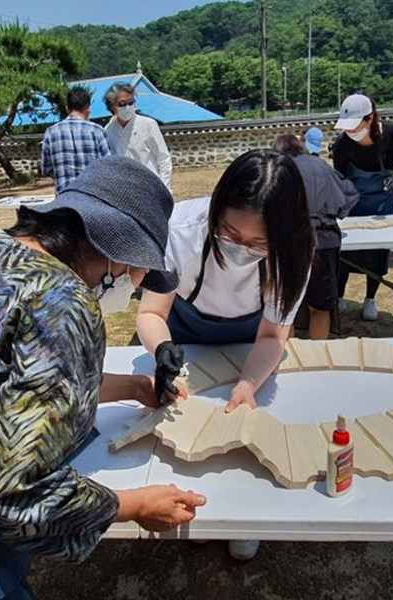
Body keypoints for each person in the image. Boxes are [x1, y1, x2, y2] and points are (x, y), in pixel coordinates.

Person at [0, 156, 206, 599]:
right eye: (141, 272)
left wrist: (136, 387)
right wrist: (133, 505)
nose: (137, 285)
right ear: (115, 256)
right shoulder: (63, 301)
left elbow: (6, 384)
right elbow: (14, 495)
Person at [136, 149, 314, 561]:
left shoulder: (297, 252)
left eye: (257, 243)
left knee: (242, 426)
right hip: (180, 329)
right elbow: (151, 312)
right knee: (179, 426)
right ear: (216, 212)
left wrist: (249, 383)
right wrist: (163, 349)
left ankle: (242, 519)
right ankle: (195, 510)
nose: (239, 248)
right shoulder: (181, 228)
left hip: (250, 339)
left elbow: (273, 335)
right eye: (229, 234)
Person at [332, 94, 393, 321]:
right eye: (347, 128)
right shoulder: (342, 144)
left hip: (382, 201)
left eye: (355, 126)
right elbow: (340, 176)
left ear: (370, 118)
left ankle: (370, 299)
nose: (351, 131)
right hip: (353, 202)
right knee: (345, 252)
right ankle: (339, 296)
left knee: (378, 252)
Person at [272, 134, 359, 339]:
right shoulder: (320, 166)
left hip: (288, 243)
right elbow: (350, 194)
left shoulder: (277, 168)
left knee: (285, 308)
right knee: (320, 306)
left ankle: (288, 358)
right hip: (324, 240)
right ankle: (318, 354)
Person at [41, 86, 111, 193]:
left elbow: (46, 168)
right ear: (88, 108)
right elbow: (108, 166)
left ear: (67, 108)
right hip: (92, 197)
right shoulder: (97, 130)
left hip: (64, 199)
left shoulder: (51, 132)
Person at [104, 83, 172, 190]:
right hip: (125, 191)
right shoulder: (108, 130)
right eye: (122, 104)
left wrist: (164, 188)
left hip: (151, 188)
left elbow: (163, 159)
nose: (127, 107)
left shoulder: (148, 124)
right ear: (112, 105)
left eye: (130, 102)